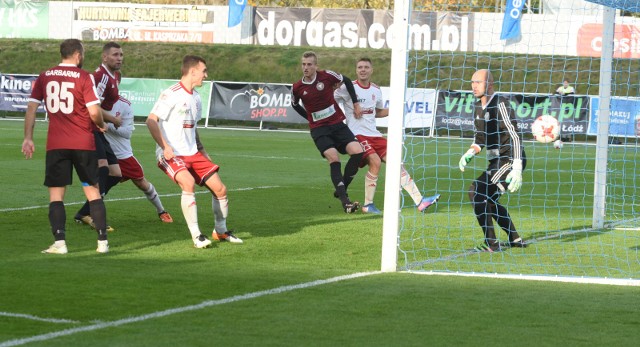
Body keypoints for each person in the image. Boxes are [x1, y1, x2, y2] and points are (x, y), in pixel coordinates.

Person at [22, 38, 109, 254]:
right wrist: (101, 124)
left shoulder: (45, 76)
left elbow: (31, 108)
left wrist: (28, 138)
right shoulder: (84, 76)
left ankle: (60, 243)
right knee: (92, 191)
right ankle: (102, 243)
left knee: (56, 195)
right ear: (78, 55)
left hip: (57, 144)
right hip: (83, 143)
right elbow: (94, 111)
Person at [146, 55, 242, 248]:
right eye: (203, 71)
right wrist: (165, 147)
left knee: (220, 189)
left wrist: (202, 150)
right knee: (188, 183)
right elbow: (151, 120)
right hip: (171, 154)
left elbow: (193, 127)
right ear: (192, 71)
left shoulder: (196, 97)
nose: (206, 75)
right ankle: (197, 236)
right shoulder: (171, 93)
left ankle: (220, 231)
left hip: (193, 153)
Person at [334, 58, 441, 214]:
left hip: (375, 135)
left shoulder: (376, 90)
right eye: (360, 67)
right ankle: (368, 204)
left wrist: (395, 108)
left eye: (366, 67)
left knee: (397, 163)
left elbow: (377, 112)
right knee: (375, 162)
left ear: (372, 70)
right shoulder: (347, 87)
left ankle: (420, 201)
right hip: (357, 135)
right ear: (356, 70)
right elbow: (330, 100)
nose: (363, 70)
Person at [459, 69, 527, 252]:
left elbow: (515, 136)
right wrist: (470, 153)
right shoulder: (477, 107)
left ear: (489, 84)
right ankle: (515, 239)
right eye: (472, 82)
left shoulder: (500, 104)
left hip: (509, 159)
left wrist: (517, 167)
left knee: (476, 191)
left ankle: (492, 243)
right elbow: (479, 140)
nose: (474, 86)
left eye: (478, 82)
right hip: (496, 161)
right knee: (487, 199)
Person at [291, 51, 364, 213]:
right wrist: (309, 118)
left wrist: (356, 103)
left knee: (358, 152)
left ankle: (341, 188)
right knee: (333, 158)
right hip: (319, 129)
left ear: (316, 66)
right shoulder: (297, 87)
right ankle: (346, 203)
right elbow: (294, 104)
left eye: (309, 64)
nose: (306, 67)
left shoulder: (327, 76)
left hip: (337, 124)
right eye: (303, 64)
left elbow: (345, 79)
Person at [74, 41, 124, 232]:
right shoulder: (100, 77)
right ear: (105, 57)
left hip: (99, 129)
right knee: (103, 170)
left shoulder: (115, 76)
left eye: (120, 55)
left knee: (116, 174)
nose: (119, 58)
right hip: (90, 128)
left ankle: (84, 212)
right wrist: (112, 119)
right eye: (115, 55)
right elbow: (93, 106)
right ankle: (94, 213)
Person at [104, 94, 173, 223]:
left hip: (122, 155)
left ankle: (161, 211)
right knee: (98, 185)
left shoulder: (124, 104)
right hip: (102, 153)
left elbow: (127, 133)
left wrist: (109, 126)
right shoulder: (95, 101)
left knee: (141, 183)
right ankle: (88, 215)